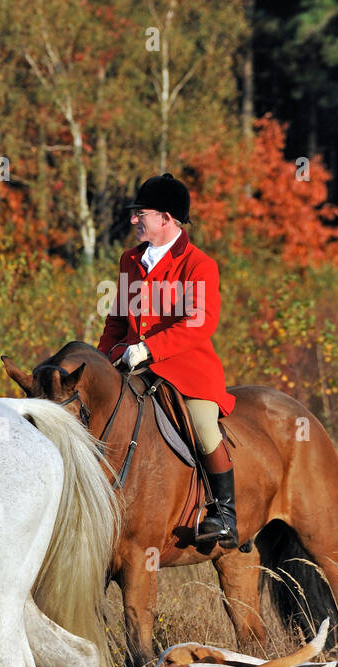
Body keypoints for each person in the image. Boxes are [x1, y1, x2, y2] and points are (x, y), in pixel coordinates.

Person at [97, 172, 239, 548]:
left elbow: (200, 322)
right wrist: (100, 363)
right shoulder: (129, 260)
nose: (133, 220)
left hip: (185, 370)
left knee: (202, 424)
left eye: (139, 213)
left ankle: (224, 513)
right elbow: (116, 319)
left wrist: (151, 349)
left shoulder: (198, 264)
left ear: (166, 218)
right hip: (130, 366)